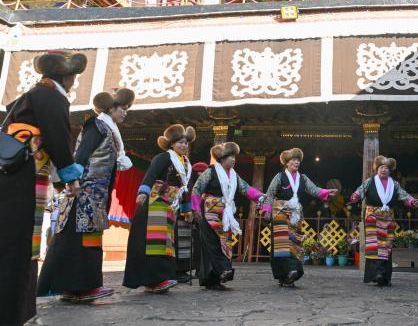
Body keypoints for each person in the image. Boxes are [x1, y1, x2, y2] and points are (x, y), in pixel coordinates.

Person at [0, 51, 86, 325]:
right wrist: (70, 177)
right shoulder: (52, 96)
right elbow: (57, 137)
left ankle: (18, 310)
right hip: (23, 176)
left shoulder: (31, 95)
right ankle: (12, 313)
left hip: (12, 175)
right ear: (66, 76)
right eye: (73, 76)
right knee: (20, 243)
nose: (73, 82)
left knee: (12, 240)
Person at [38, 89, 134, 303]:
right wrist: (73, 180)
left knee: (81, 239)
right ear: (111, 108)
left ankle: (73, 288)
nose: (125, 113)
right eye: (123, 108)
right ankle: (82, 287)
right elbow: (82, 154)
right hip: (85, 193)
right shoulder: (97, 126)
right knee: (81, 240)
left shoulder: (108, 130)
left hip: (94, 195)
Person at [122, 124, 196, 293]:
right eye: (180, 142)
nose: (184, 145)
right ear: (172, 144)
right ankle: (155, 280)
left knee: (166, 242)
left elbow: (185, 188)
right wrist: (143, 192)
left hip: (170, 206)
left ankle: (160, 279)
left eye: (186, 143)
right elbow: (151, 175)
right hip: (156, 203)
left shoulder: (186, 164)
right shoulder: (163, 157)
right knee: (156, 241)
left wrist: (187, 209)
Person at [192, 142, 264, 290]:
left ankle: (217, 278)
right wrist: (195, 209)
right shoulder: (210, 171)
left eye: (234, 157)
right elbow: (196, 189)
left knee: (224, 244)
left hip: (225, 215)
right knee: (212, 244)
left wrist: (260, 196)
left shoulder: (234, 175)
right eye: (230, 157)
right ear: (222, 159)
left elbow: (246, 189)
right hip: (209, 213)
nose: (233, 159)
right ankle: (221, 271)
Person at [262, 148, 337, 287]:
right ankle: (286, 273)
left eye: (298, 160)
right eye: (293, 160)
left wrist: (326, 192)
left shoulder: (303, 178)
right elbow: (270, 193)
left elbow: (314, 190)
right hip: (280, 212)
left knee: (294, 242)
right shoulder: (279, 176)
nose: (296, 162)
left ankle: (291, 272)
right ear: (286, 163)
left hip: (295, 214)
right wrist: (267, 210)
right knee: (282, 244)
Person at [350, 155, 418, 287]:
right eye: (381, 167)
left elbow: (404, 195)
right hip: (372, 216)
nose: (383, 170)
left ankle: (385, 276)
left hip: (388, 218)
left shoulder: (395, 184)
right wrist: (356, 196)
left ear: (389, 170)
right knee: (374, 245)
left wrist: (411, 201)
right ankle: (376, 274)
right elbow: (360, 191)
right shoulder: (370, 181)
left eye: (386, 168)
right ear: (377, 169)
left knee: (386, 245)